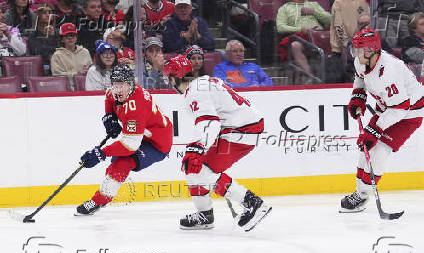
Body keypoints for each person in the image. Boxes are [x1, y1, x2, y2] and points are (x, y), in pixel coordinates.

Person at [163, 55, 272, 231]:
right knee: (192, 167)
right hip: (237, 127)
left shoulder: (195, 91)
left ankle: (253, 203)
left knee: (202, 170)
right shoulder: (201, 83)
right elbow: (211, 121)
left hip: (242, 130)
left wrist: (197, 147)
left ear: (173, 78)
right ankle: (204, 215)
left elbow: (210, 122)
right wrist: (196, 148)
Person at [339, 28, 424, 212]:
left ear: (371, 50)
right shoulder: (362, 61)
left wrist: (375, 129)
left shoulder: (389, 72)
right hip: (389, 108)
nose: (354, 54)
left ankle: (363, 195)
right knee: (365, 147)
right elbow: (360, 77)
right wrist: (358, 96)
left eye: (358, 50)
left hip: (409, 113)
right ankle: (360, 193)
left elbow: (401, 108)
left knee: (378, 151)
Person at [76, 65, 173, 215]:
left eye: (123, 85)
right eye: (116, 85)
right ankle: (105, 193)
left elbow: (129, 145)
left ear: (131, 85)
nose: (119, 89)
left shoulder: (136, 107)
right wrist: (110, 118)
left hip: (157, 143)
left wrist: (100, 153)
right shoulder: (115, 91)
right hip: (142, 135)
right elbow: (109, 98)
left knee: (122, 163)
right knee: (116, 161)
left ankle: (99, 201)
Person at [276, 0, 331, 83]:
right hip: (299, 37)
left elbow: (330, 20)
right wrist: (300, 29)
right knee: (295, 45)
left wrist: (313, 12)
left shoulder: (313, 4)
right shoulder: (284, 8)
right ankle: (311, 77)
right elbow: (280, 27)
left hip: (318, 35)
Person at [28, 3, 57, 69]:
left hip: (56, 64)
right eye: (44, 13)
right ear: (38, 15)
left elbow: (58, 51)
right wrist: (46, 38)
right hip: (39, 66)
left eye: (49, 12)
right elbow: (36, 52)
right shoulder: (33, 34)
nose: (48, 15)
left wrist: (52, 36)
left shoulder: (56, 32)